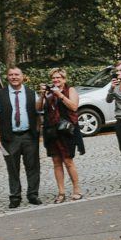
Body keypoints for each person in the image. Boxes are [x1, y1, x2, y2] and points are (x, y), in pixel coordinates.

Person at [0, 67, 41, 208]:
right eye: (11, 75)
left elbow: (38, 112)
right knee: (12, 168)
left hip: (29, 136)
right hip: (9, 137)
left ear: (22, 76)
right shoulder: (0, 94)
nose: (14, 77)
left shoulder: (31, 93)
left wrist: (37, 131)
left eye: (16, 74)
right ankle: (15, 197)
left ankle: (33, 194)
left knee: (33, 167)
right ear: (7, 77)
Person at [37, 68, 83, 203]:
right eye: (53, 78)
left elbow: (74, 107)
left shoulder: (70, 90)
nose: (56, 80)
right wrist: (42, 95)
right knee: (56, 162)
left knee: (68, 161)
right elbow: (39, 108)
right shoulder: (49, 93)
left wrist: (60, 95)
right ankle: (61, 192)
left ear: (64, 79)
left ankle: (76, 190)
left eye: (59, 78)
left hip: (66, 131)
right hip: (52, 131)